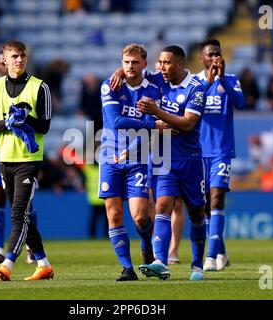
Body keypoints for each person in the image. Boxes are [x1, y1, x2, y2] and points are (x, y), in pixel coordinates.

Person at [112, 45, 208, 281]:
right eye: (159, 63)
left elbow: (187, 124)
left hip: (190, 160)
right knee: (162, 206)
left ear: (179, 64)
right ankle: (160, 262)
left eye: (165, 63)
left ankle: (197, 265)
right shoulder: (157, 80)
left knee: (196, 213)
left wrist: (157, 112)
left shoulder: (196, 89)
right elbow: (133, 69)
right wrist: (118, 73)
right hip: (162, 158)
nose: (160, 67)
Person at [0, 40, 53, 281]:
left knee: (17, 214)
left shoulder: (39, 87)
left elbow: (45, 125)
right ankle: (44, 264)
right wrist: (8, 123)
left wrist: (26, 118)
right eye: (14, 56)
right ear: (5, 59)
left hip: (29, 159)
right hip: (4, 159)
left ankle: (7, 264)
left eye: (22, 56)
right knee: (21, 215)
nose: (19, 60)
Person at [99, 44, 166, 281]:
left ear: (144, 64)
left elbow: (147, 133)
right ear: (121, 62)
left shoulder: (153, 90)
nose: (130, 66)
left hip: (137, 158)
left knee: (139, 216)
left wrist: (131, 149)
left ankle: (146, 243)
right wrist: (154, 125)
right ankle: (127, 268)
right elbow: (116, 121)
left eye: (135, 62)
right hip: (110, 157)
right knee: (114, 214)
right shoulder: (110, 85)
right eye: (126, 62)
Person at [192, 39, 246, 272]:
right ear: (202, 59)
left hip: (221, 151)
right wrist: (210, 81)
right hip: (197, 152)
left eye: (218, 53)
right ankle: (222, 251)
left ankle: (211, 257)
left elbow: (242, 104)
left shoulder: (231, 80)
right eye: (210, 54)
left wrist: (222, 79)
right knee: (203, 206)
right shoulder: (194, 83)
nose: (214, 58)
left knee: (216, 200)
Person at [0, 51, 37, 265]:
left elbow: (42, 121)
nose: (1, 65)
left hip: (23, 152)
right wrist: (9, 123)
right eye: (0, 62)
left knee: (23, 203)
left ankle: (32, 248)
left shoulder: (31, 87)